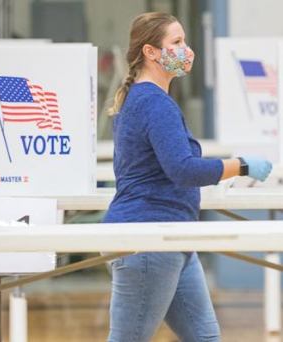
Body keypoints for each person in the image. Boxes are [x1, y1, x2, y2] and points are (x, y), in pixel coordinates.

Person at [102, 12, 272, 342]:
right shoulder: (153, 103)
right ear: (151, 52)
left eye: (185, 41)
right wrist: (241, 165)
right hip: (148, 239)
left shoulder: (143, 99)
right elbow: (183, 169)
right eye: (177, 42)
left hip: (171, 236)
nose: (187, 49)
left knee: (205, 337)